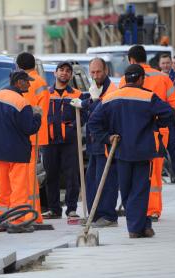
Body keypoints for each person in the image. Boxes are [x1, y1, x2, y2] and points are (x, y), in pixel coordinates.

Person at [88, 64, 175, 238]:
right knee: (140, 189)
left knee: (127, 190)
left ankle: (141, 226)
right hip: (143, 151)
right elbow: (170, 114)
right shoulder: (148, 97)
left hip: (120, 151)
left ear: (126, 79)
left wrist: (107, 137)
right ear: (141, 79)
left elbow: (93, 123)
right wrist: (155, 125)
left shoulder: (110, 98)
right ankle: (137, 227)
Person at [0, 70, 42, 233]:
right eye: (27, 81)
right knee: (19, 187)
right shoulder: (22, 103)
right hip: (17, 152)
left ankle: (0, 219)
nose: (29, 84)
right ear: (18, 82)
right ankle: (16, 221)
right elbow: (29, 128)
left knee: (4, 187)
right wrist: (37, 116)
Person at [119, 45, 175, 222]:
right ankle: (153, 210)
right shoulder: (162, 77)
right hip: (159, 132)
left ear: (131, 60)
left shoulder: (126, 79)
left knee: (135, 171)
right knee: (154, 171)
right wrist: (162, 121)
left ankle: (137, 207)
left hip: (133, 132)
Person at [70, 57, 118, 227]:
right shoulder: (94, 88)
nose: (95, 75)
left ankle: (108, 216)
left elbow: (102, 112)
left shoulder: (111, 90)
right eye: (92, 72)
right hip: (94, 143)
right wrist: (85, 103)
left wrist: (92, 102)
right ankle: (94, 215)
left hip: (106, 142)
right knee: (92, 181)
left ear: (106, 71)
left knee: (105, 181)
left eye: (98, 72)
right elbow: (91, 108)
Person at [42, 61, 85, 220]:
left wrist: (74, 126)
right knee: (51, 175)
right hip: (50, 141)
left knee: (72, 175)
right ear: (55, 73)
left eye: (68, 71)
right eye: (61, 70)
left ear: (71, 75)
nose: (64, 73)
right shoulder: (46, 93)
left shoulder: (77, 94)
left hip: (69, 142)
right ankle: (54, 209)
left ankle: (71, 209)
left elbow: (84, 115)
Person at [16, 52, 50, 224]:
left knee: (27, 176)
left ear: (19, 67)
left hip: (26, 135)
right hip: (37, 135)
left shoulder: (23, 82)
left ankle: (30, 214)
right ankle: (34, 212)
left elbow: (23, 109)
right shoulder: (42, 82)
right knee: (31, 175)